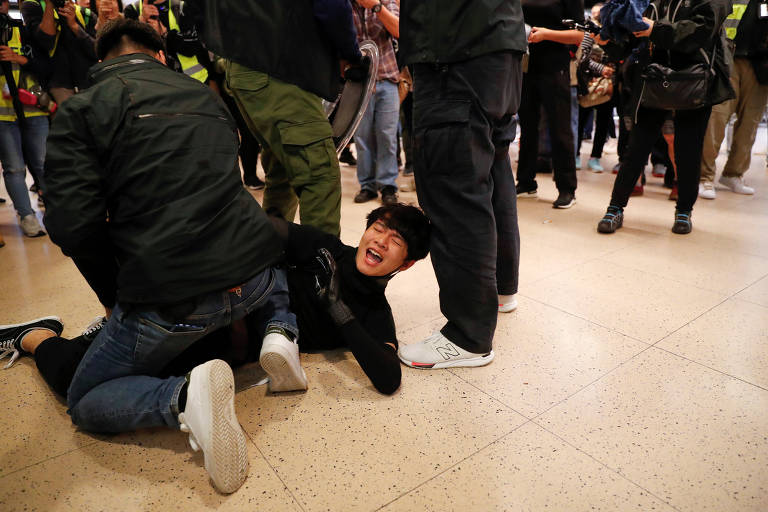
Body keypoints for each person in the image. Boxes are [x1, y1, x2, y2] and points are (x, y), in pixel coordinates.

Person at [41, 18, 295, 493]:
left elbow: (73, 227)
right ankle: (281, 331)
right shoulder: (208, 98)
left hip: (175, 301)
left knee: (85, 400)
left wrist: (118, 294)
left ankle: (182, 398)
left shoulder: (81, 109)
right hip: (256, 278)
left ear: (102, 62)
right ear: (160, 55)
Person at [2, 204, 432, 396]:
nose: (380, 241)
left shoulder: (376, 313)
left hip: (224, 347)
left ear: (406, 264)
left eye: (395, 242)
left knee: (80, 381)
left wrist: (338, 311)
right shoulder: (325, 249)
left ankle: (35, 337)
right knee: (100, 360)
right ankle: (91, 330)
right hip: (209, 305)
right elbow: (270, 229)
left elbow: (388, 378)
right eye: (380, 228)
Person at [395, 0, 526, 369]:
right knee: (494, 169)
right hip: (500, 41)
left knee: (452, 183)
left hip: (452, 45)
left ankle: (468, 335)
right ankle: (501, 289)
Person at [188, 0, 363, 237]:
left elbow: (194, 10)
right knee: (319, 176)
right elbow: (331, 6)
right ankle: (318, 268)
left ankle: (271, 260)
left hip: (244, 70)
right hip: (282, 71)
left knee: (283, 172)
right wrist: (349, 52)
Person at [597, 0, 733, 235]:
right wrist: (613, 29)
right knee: (636, 147)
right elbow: (632, 28)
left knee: (688, 150)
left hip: (696, 78)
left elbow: (701, 31)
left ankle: (684, 211)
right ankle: (615, 207)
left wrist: (654, 29)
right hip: (653, 75)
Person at [515, 0, 584, 209]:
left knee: (560, 128)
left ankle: (567, 188)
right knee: (527, 127)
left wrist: (546, 34)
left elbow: (580, 35)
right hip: (526, 66)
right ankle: (526, 182)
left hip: (555, 67)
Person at [699, 0, 768, 200]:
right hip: (728, 60)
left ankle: (734, 174)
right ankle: (705, 176)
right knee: (717, 118)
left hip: (761, 68)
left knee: (750, 123)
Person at [0, 0, 50, 238]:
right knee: (14, 168)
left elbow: (47, 66)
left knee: (43, 164)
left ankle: (56, 210)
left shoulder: (24, 32)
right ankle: (27, 216)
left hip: (33, 109)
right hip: (2, 114)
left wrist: (21, 60)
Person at [350, 0, 401, 206]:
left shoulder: (386, 1)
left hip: (387, 78)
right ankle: (367, 185)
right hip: (359, 84)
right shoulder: (345, 5)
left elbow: (399, 30)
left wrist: (376, 6)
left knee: (387, 135)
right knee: (362, 138)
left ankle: (388, 185)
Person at [21, 0, 97, 104]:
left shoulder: (85, 14)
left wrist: (74, 26)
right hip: (57, 84)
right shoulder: (33, 5)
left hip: (88, 81)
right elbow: (46, 41)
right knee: (69, 118)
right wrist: (49, 5)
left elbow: (96, 51)